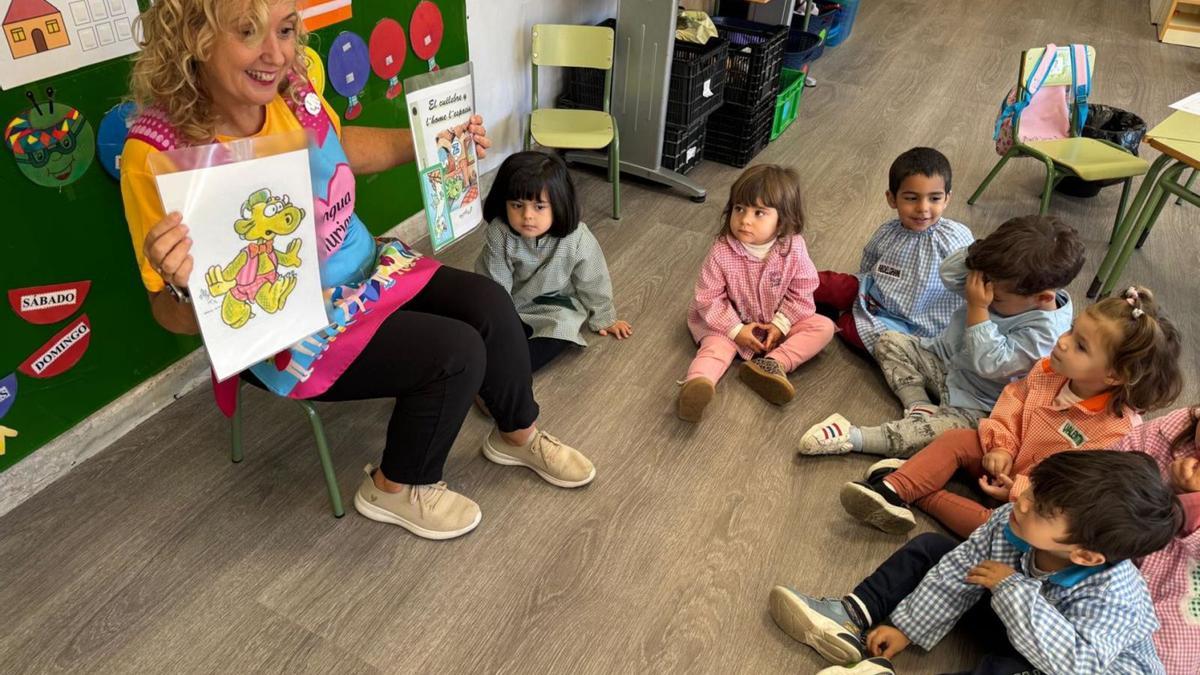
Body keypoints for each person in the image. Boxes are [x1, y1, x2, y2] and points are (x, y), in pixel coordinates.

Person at [120, 0, 595, 541]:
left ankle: (517, 433)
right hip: (287, 328)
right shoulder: (158, 153)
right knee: (457, 353)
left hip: (368, 272)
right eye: (248, 32)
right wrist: (186, 290)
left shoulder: (292, 92)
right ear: (195, 37)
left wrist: (430, 144)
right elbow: (168, 313)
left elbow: (338, 146)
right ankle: (394, 488)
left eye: (284, 30)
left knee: (490, 304)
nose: (274, 53)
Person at [769, 451, 1181, 675]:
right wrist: (907, 627)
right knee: (934, 548)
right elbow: (959, 569)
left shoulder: (1117, 598)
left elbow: (1076, 664)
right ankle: (848, 617)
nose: (1021, 501)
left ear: (1086, 556)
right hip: (1013, 617)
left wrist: (1012, 590)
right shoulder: (1014, 520)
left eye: (1042, 509)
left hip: (1066, 663)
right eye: (1034, 489)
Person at [841, 286, 1183, 536]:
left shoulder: (1117, 433)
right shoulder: (1049, 370)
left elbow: (1072, 489)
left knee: (1002, 530)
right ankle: (893, 489)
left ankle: (921, 492)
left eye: (1081, 345)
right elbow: (1012, 401)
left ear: (1114, 375)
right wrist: (1002, 445)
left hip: (1033, 499)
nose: (1063, 341)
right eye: (1071, 329)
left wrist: (1018, 489)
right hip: (1003, 456)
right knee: (958, 439)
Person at [799, 214, 1082, 459]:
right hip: (942, 363)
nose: (986, 295)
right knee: (888, 340)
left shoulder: (1047, 332)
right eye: (984, 285)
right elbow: (949, 274)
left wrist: (978, 307)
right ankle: (917, 405)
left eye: (998, 297)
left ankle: (854, 437)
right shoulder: (1006, 283)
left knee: (939, 435)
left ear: (1043, 297)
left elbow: (991, 364)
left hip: (977, 404)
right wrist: (982, 254)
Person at [678, 164, 835, 422]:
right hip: (727, 325)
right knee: (715, 349)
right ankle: (697, 386)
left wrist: (781, 324)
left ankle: (771, 365)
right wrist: (736, 330)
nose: (745, 219)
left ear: (782, 220)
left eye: (759, 212)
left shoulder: (793, 248)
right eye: (739, 209)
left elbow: (803, 289)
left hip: (776, 325)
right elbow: (708, 298)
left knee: (823, 327)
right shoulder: (722, 251)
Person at [475, 151, 631, 373]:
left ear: (558, 203)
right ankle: (490, 364)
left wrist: (604, 317)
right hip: (509, 304)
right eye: (517, 205)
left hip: (555, 303)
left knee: (564, 327)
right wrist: (502, 324)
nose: (527, 215)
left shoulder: (576, 237)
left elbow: (593, 279)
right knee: (480, 326)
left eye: (539, 206)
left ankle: (506, 370)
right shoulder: (499, 233)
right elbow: (494, 285)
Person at [813, 147, 974, 354]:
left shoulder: (955, 238)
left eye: (934, 198)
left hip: (915, 323)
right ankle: (790, 283)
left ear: (947, 199)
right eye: (911, 198)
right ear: (892, 199)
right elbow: (869, 262)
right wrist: (861, 286)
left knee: (858, 331)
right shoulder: (888, 232)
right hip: (872, 292)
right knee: (827, 283)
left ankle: (839, 317)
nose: (923, 208)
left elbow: (972, 278)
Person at [1116, 406, 1200, 675]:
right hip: (1117, 552)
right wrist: (1163, 492)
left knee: (1165, 660)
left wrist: (1193, 506)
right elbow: (1107, 472)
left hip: (1184, 592)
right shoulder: (1164, 433)